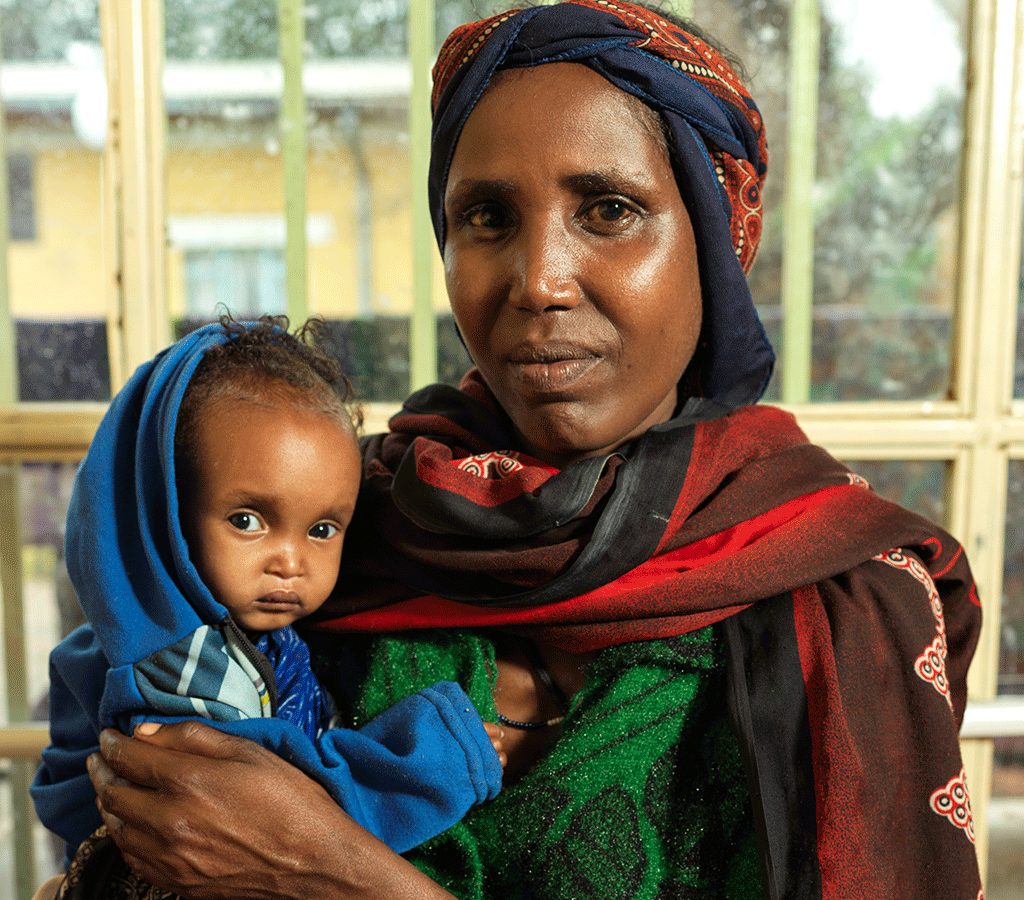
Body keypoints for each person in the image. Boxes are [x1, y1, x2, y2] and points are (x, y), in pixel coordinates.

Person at [72, 2, 983, 897]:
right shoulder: (334, 532)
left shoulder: (843, 595)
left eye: (611, 209)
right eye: (488, 219)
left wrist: (338, 875)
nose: (538, 280)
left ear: (709, 244)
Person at [31, 317, 505, 892]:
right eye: (248, 520)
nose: (290, 561)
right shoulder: (178, 667)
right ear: (167, 517)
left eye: (323, 529)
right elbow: (285, 815)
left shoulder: (232, 632)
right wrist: (435, 753)